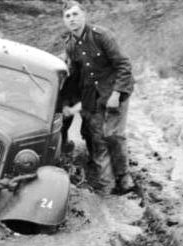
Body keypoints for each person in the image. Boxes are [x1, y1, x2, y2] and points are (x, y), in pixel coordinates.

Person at [61, 1, 135, 194]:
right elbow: (77, 78)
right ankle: (105, 184)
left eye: (75, 14)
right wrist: (74, 105)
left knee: (112, 134)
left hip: (117, 91)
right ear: (64, 21)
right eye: (68, 16)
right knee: (96, 137)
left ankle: (124, 177)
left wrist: (116, 94)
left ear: (84, 15)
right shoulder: (70, 45)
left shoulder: (102, 36)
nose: (72, 19)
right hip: (93, 96)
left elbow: (124, 65)